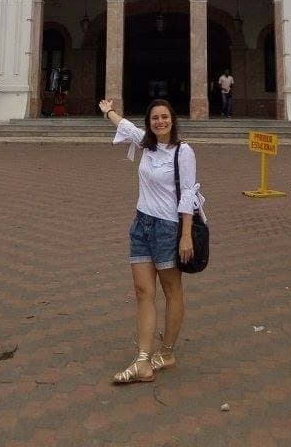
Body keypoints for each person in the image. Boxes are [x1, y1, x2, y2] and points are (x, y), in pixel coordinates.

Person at [98, 97, 206, 384]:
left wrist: (185, 235)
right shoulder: (146, 144)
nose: (160, 121)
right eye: (155, 118)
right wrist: (108, 111)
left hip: (168, 228)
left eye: (165, 117)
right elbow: (125, 126)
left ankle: (167, 352)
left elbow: (187, 195)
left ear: (173, 120)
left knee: (171, 289)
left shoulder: (183, 152)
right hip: (141, 224)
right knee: (143, 291)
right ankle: (143, 359)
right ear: (150, 123)